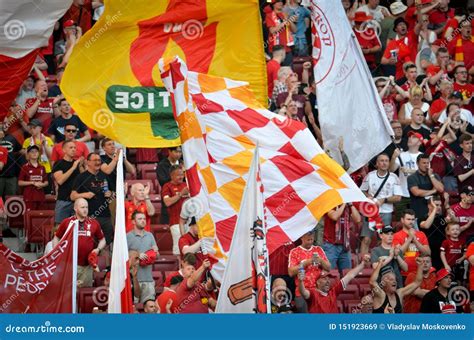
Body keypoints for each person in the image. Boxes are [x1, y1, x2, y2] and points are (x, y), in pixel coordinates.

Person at [53, 198, 106, 287]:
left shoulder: (94, 223)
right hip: (69, 266)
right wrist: (57, 251)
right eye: (82, 207)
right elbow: (56, 237)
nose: (85, 210)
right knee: (69, 292)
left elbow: (102, 240)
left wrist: (98, 249)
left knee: (85, 292)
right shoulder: (67, 222)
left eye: (86, 207)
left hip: (87, 267)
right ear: (75, 208)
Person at [298, 254, 371, 313]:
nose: (327, 281)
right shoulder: (313, 293)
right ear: (317, 282)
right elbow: (303, 292)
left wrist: (362, 264)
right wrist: (300, 281)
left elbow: (350, 276)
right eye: (324, 278)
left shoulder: (333, 292)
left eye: (328, 279)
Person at [360, 153, 402, 254]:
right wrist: (368, 197)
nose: (384, 163)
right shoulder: (370, 176)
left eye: (386, 161)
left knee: (383, 240)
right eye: (382, 161)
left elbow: (398, 197)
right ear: (377, 164)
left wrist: (384, 200)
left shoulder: (394, 177)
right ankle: (363, 264)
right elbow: (362, 191)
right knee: (366, 239)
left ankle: (381, 264)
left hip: (386, 212)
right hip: (370, 211)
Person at [71, 152, 113, 244]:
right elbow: (72, 196)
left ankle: (105, 258)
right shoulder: (81, 177)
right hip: (89, 216)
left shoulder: (104, 176)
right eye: (95, 160)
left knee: (107, 242)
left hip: (105, 216)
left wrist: (110, 194)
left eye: (99, 160)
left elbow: (113, 194)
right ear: (88, 162)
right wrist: (84, 195)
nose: (98, 162)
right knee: (90, 244)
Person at [288, 230, 330, 313]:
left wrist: (321, 260)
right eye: (308, 240)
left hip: (318, 291)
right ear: (301, 237)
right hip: (302, 291)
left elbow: (328, 267)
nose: (310, 242)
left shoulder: (318, 249)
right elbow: (291, 272)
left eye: (312, 239)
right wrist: (307, 262)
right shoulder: (294, 252)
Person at [126, 211, 159, 303]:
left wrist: (156, 252)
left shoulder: (150, 235)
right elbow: (124, 257)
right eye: (140, 219)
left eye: (144, 219)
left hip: (148, 279)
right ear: (133, 222)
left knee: (150, 308)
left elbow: (157, 256)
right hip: (134, 279)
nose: (143, 221)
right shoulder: (128, 236)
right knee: (134, 308)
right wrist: (137, 255)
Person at [52, 141, 84, 225]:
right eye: (71, 147)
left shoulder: (77, 164)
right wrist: (73, 168)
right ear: (64, 150)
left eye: (74, 148)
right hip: (63, 200)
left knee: (77, 227)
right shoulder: (58, 164)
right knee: (59, 227)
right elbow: (60, 181)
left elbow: (84, 181)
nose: (73, 149)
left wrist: (80, 167)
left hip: (77, 201)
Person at [393, 209, 431, 278]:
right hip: (403, 273)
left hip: (420, 272)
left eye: (413, 219)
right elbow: (398, 254)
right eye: (408, 219)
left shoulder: (421, 234)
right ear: (402, 220)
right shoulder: (396, 236)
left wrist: (415, 241)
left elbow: (428, 253)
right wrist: (410, 238)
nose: (411, 222)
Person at [322, 203, 361, 270]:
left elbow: (358, 219)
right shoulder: (329, 203)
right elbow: (335, 216)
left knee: (346, 274)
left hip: (345, 245)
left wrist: (351, 205)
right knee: (329, 272)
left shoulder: (348, 206)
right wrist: (343, 204)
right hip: (331, 245)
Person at [390, 132, 423, 210]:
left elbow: (425, 173)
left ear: (419, 142)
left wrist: (410, 171)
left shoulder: (423, 156)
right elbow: (391, 170)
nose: (410, 138)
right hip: (402, 193)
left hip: (417, 194)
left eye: (414, 137)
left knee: (416, 220)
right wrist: (393, 157)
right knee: (400, 220)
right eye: (409, 137)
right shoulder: (401, 155)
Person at [407, 153, 444, 221]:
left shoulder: (434, 176)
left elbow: (441, 189)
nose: (426, 165)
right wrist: (433, 191)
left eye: (428, 163)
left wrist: (431, 175)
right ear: (417, 164)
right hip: (419, 212)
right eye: (424, 163)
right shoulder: (412, 178)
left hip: (435, 211)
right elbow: (416, 192)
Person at [162, 166, 189, 255]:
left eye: (182, 174)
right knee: (178, 247)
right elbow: (167, 202)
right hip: (176, 222)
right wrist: (181, 194)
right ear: (171, 176)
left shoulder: (186, 185)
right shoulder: (167, 186)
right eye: (178, 175)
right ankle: (180, 267)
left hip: (189, 222)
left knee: (189, 246)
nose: (181, 177)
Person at [419, 196, 448, 270]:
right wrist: (434, 209)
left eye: (439, 205)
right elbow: (426, 225)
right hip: (429, 251)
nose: (438, 207)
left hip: (442, 251)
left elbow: (455, 220)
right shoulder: (422, 218)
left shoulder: (442, 218)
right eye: (436, 205)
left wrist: (447, 206)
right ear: (429, 206)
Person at [18, 145, 48, 212]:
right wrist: (33, 183)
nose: (34, 153)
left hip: (40, 196)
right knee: (29, 216)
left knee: (41, 216)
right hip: (29, 197)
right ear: (28, 154)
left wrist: (42, 185)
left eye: (36, 151)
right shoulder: (25, 167)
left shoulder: (42, 167)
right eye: (32, 152)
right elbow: (20, 182)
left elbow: (46, 182)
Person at [156, 146, 182, 224]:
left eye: (180, 152)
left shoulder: (184, 163)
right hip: (168, 196)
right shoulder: (161, 165)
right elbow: (163, 182)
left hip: (183, 198)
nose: (178, 154)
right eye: (176, 152)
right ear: (169, 151)